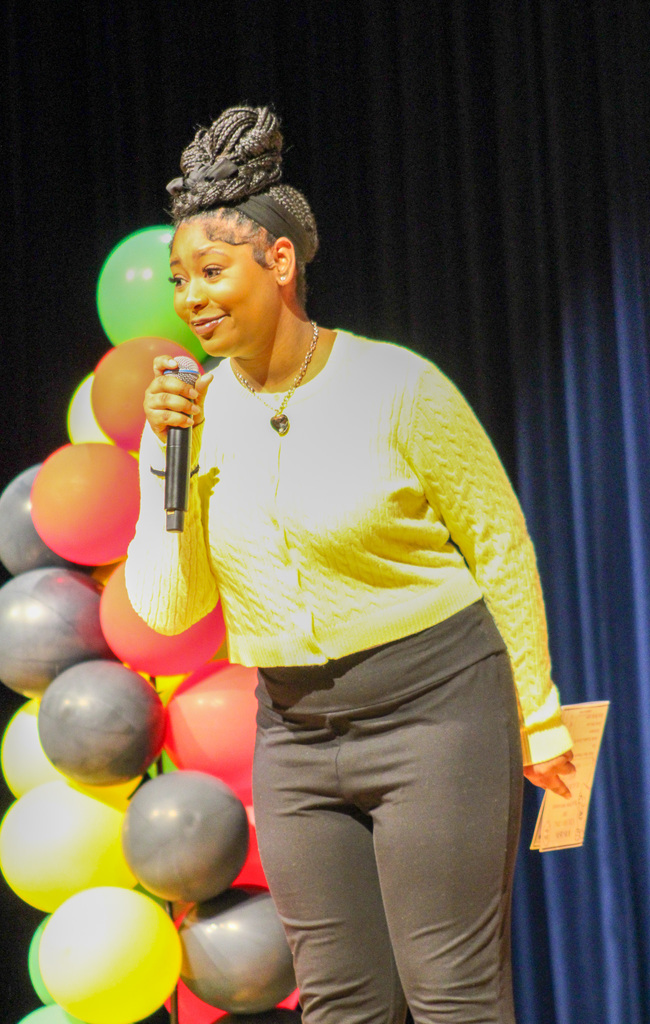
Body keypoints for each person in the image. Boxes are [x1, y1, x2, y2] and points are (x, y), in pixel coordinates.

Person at [125, 104, 575, 1024]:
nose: (191, 298)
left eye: (211, 271)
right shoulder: (187, 421)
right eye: (180, 280)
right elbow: (171, 612)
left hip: (436, 706)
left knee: (450, 995)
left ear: (279, 263)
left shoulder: (396, 387)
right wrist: (164, 467)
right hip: (294, 729)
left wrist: (539, 711)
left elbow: (500, 545)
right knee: (339, 1004)